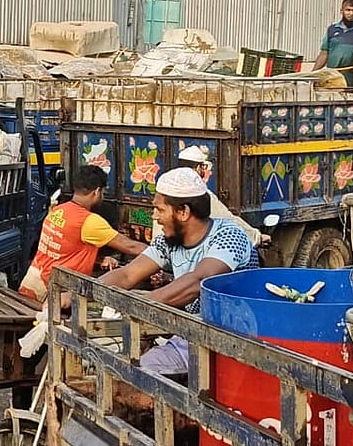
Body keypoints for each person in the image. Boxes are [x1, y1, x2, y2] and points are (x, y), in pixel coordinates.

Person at [99, 167, 258, 376]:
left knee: (134, 374)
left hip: (231, 341)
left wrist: (139, 307)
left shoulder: (229, 236)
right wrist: (79, 292)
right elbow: (128, 274)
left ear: (183, 212)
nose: (154, 216)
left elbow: (198, 281)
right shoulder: (169, 241)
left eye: (160, 209)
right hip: (192, 333)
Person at [19, 165, 147, 301]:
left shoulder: (57, 211)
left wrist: (97, 259)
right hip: (53, 292)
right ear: (97, 191)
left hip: (33, 283)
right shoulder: (89, 221)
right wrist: (161, 255)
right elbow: (130, 247)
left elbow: (64, 250)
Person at [176, 146, 269, 247]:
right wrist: (256, 237)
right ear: (198, 168)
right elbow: (226, 220)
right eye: (202, 167)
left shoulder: (167, 188)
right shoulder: (200, 193)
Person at [314, 0, 353, 83]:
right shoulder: (332, 29)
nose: (351, 13)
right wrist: (312, 73)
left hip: (352, 78)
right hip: (332, 76)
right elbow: (324, 54)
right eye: (348, 10)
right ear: (341, 11)